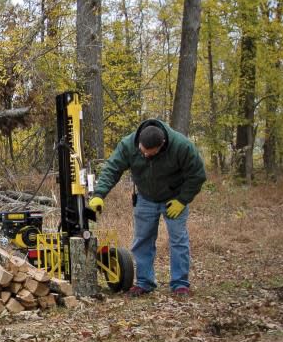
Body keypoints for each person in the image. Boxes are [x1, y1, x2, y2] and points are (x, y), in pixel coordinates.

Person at [87, 120, 206, 297]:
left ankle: (180, 284)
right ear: (139, 142)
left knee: (178, 240)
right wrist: (99, 194)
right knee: (142, 240)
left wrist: (182, 200)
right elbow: (112, 169)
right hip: (145, 198)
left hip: (174, 198)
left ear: (162, 144)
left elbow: (198, 174)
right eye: (142, 151)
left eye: (150, 153)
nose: (145, 155)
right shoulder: (128, 144)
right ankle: (144, 282)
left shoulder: (181, 146)